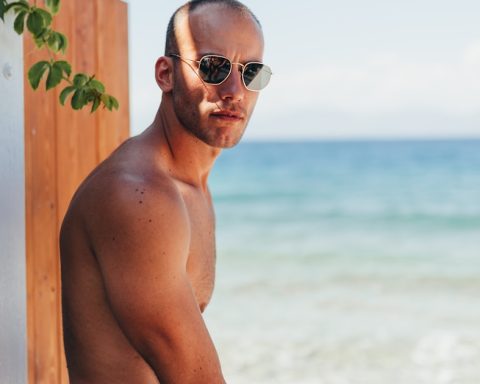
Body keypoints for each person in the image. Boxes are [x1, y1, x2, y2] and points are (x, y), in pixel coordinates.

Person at [59, 0, 272, 383]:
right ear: (165, 74)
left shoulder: (188, 186)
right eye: (213, 67)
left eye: (251, 72)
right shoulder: (138, 197)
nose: (234, 90)